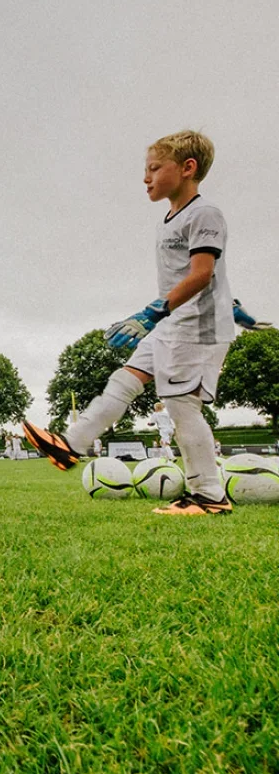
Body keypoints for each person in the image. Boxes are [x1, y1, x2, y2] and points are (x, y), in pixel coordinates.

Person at [24, 130, 267, 516]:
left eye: (155, 168)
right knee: (126, 377)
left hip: (196, 325)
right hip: (175, 321)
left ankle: (209, 495)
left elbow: (202, 273)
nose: (146, 177)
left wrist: (151, 313)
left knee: (181, 404)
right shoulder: (168, 220)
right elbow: (201, 274)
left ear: (188, 168)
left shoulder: (205, 213)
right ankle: (70, 443)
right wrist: (232, 305)